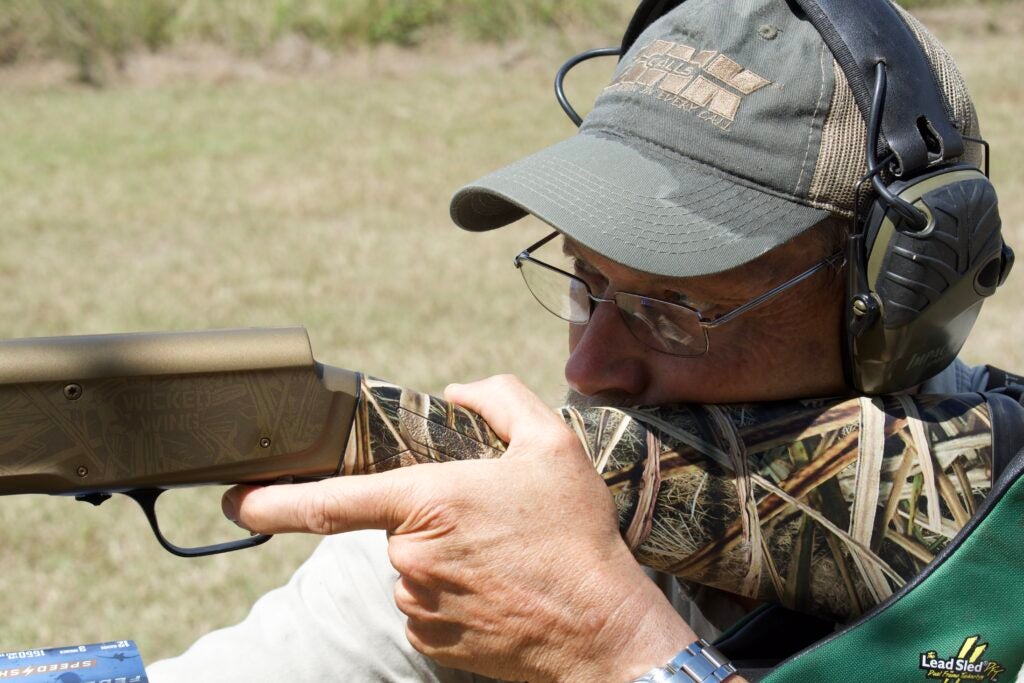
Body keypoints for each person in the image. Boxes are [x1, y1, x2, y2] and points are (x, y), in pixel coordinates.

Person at [148, 0, 1000, 681]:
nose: (585, 366)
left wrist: (614, 645)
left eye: (675, 308)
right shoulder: (518, 515)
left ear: (898, 308)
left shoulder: (1005, 570)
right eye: (583, 283)